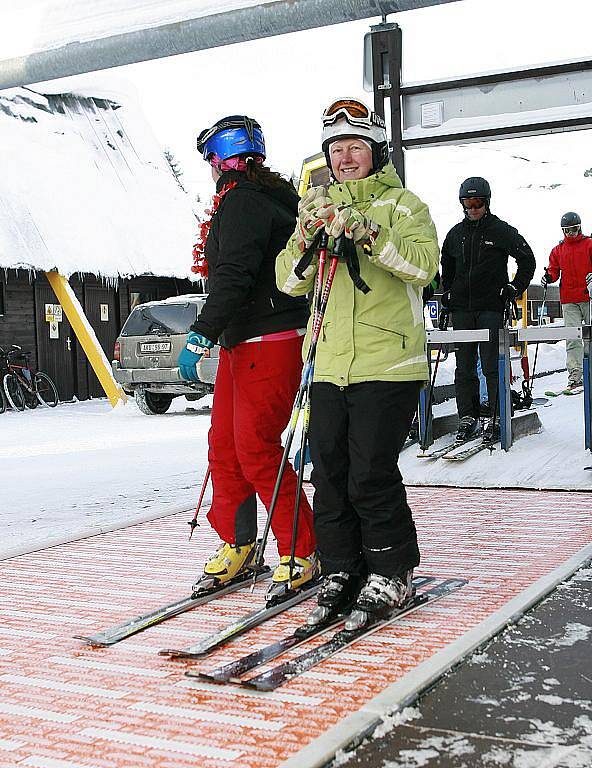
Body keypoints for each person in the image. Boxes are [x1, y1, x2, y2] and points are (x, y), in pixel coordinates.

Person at [276, 97, 439, 630]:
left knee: (370, 472)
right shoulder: (315, 207)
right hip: (328, 364)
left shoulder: (403, 205)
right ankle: (343, 570)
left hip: (387, 363)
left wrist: (368, 233)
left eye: (356, 147)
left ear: (375, 152)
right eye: (337, 149)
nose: (346, 157)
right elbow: (287, 280)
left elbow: (423, 267)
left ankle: (391, 569)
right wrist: (306, 236)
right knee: (329, 475)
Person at [178, 115, 316, 598]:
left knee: (255, 447)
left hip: (268, 338)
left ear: (219, 161)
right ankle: (239, 541)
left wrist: (201, 333)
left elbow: (234, 275)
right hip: (244, 341)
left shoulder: (242, 204)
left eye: (210, 160)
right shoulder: (250, 200)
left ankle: (301, 547)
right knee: (224, 445)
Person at [440, 177, 536, 443]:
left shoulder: (500, 230)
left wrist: (515, 287)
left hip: (491, 307)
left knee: (492, 364)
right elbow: (445, 263)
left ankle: (495, 414)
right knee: (464, 367)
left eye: (477, 203)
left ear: (487, 203)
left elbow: (527, 259)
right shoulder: (455, 234)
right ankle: (467, 416)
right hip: (462, 309)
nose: (472, 209)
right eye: (467, 203)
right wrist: (447, 291)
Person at [542, 212, 592, 389]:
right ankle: (575, 375)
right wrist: (549, 276)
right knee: (573, 338)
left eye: (574, 229)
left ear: (580, 227)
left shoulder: (589, 244)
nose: (571, 233)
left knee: (590, 336)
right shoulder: (558, 250)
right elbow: (553, 269)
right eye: (567, 230)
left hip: (588, 297)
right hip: (569, 299)